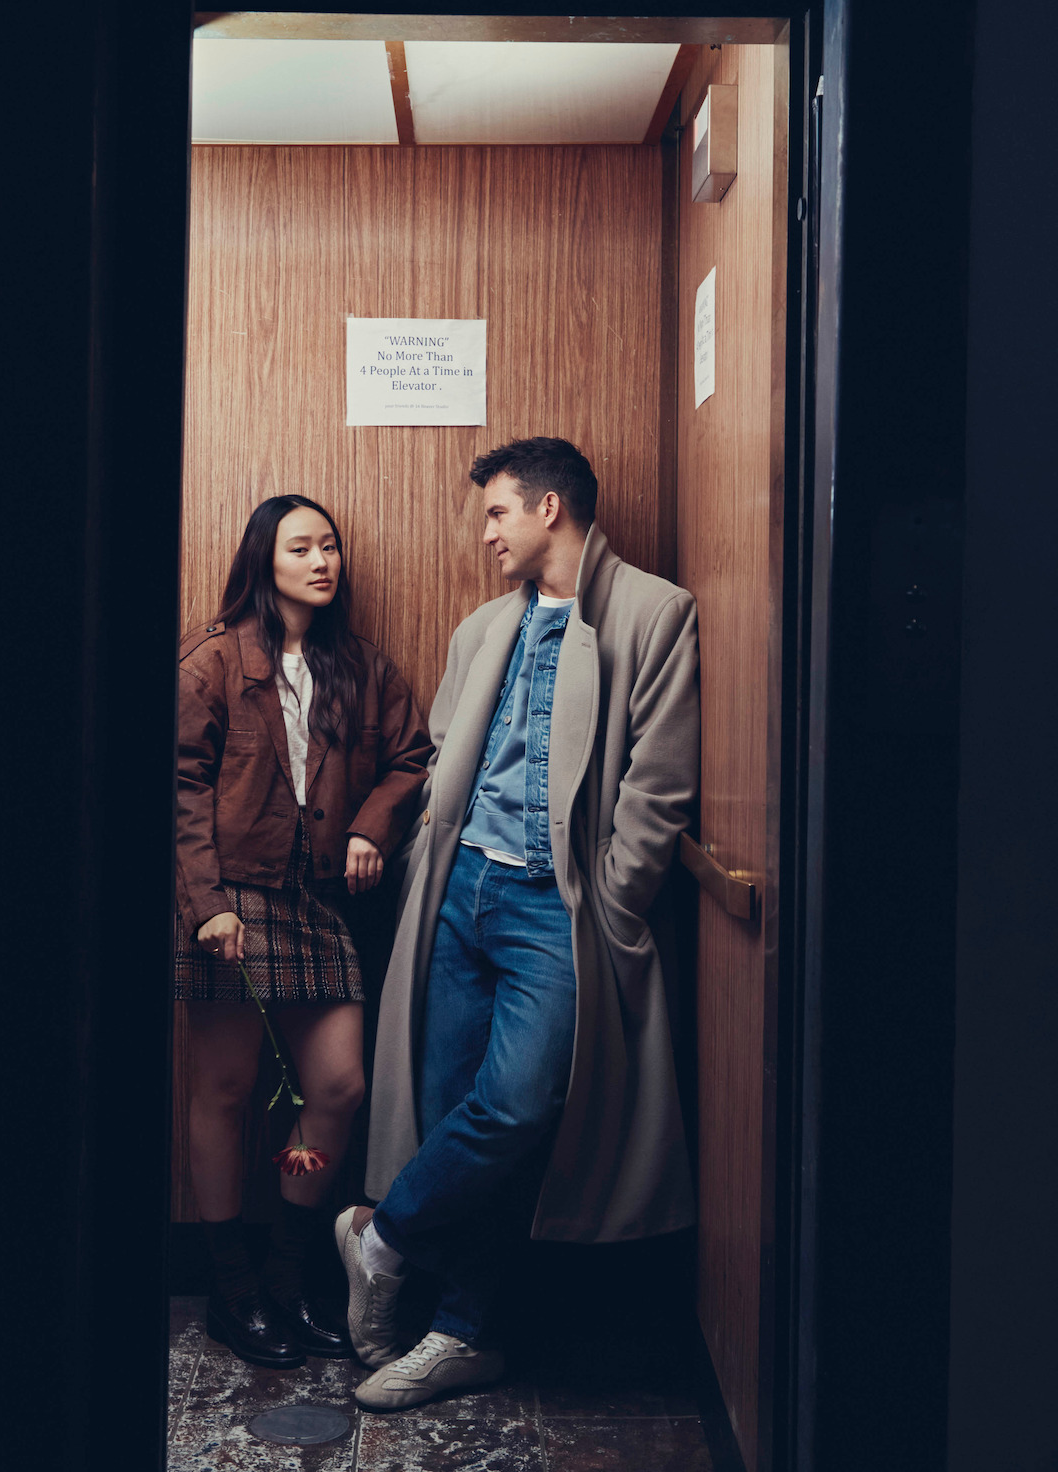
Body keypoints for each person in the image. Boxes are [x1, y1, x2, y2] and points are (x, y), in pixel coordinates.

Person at [334, 437, 700, 1411]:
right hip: (461, 893)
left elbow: (657, 788)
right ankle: (465, 1333)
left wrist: (611, 901)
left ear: (549, 508)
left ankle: (383, 1235)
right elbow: (449, 753)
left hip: (557, 904)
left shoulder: (654, 612)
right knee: (455, 1106)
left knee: (520, 1106)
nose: (486, 531)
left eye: (498, 511)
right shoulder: (482, 628)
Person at [176, 494, 430, 1367]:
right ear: (265, 560)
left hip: (321, 904)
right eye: (302, 547)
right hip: (229, 901)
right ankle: (231, 1289)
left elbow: (411, 757)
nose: (324, 560)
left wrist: (371, 825)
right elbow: (179, 792)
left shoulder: (360, 665)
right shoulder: (211, 661)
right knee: (226, 1093)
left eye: (330, 545)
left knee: (338, 1087)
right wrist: (204, 903)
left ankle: (288, 1269)